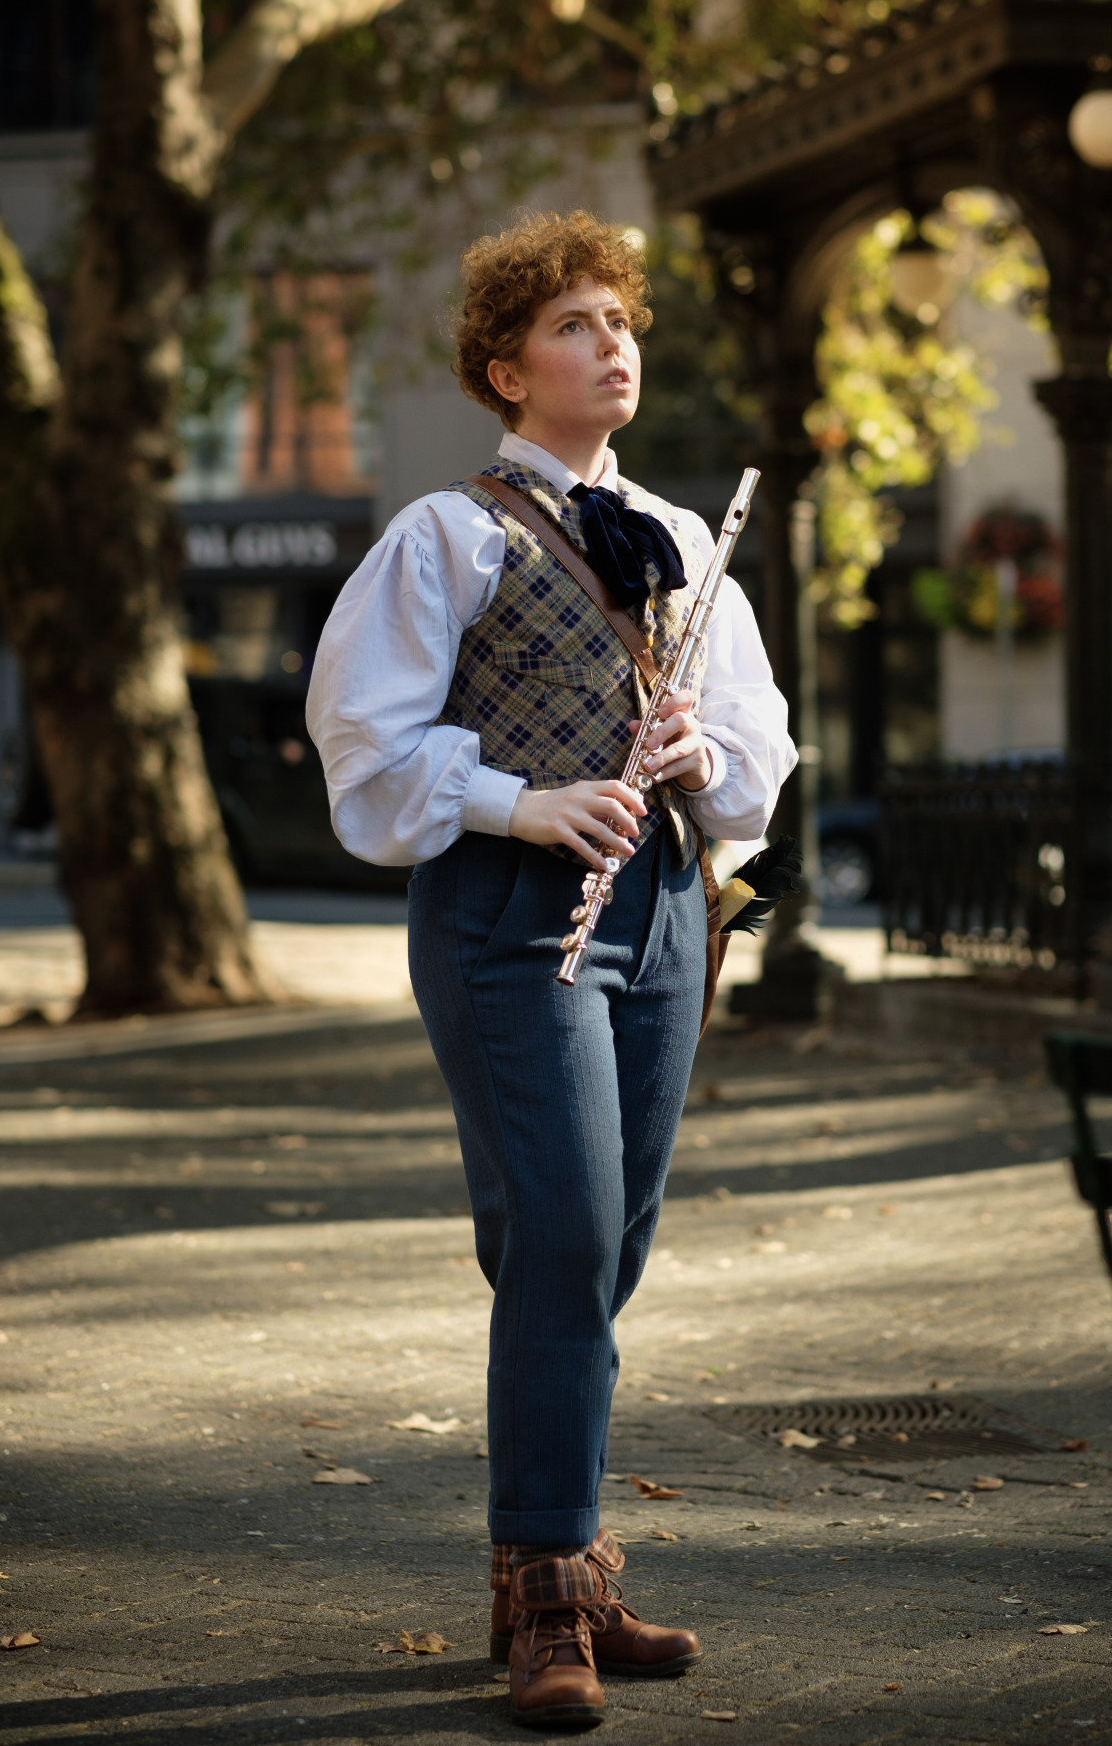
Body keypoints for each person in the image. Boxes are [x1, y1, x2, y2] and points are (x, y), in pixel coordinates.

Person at [307, 211, 796, 1729]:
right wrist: (521, 799)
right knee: (572, 1231)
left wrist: (702, 757)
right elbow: (364, 752)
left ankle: (558, 1556)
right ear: (508, 369)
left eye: (620, 322)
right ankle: (548, 1597)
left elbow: (757, 767)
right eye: (577, 325)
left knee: (604, 1242)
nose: (614, 344)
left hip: (658, 913)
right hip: (510, 913)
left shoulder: (681, 541)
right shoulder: (446, 536)